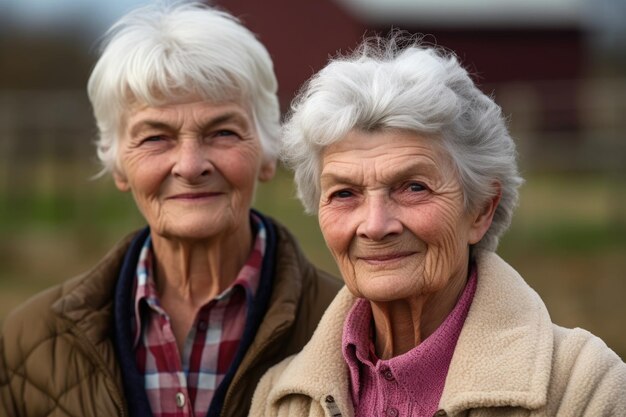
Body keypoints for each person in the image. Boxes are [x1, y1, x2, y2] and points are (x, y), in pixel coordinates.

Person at [249, 36, 626, 417]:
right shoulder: (280, 400)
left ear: (480, 211)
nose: (375, 226)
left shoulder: (584, 385)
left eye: (414, 187)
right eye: (345, 193)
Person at [0, 3, 341, 417]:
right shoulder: (27, 342)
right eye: (155, 138)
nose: (191, 165)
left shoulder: (348, 332)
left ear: (269, 152)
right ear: (117, 164)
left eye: (222, 132)